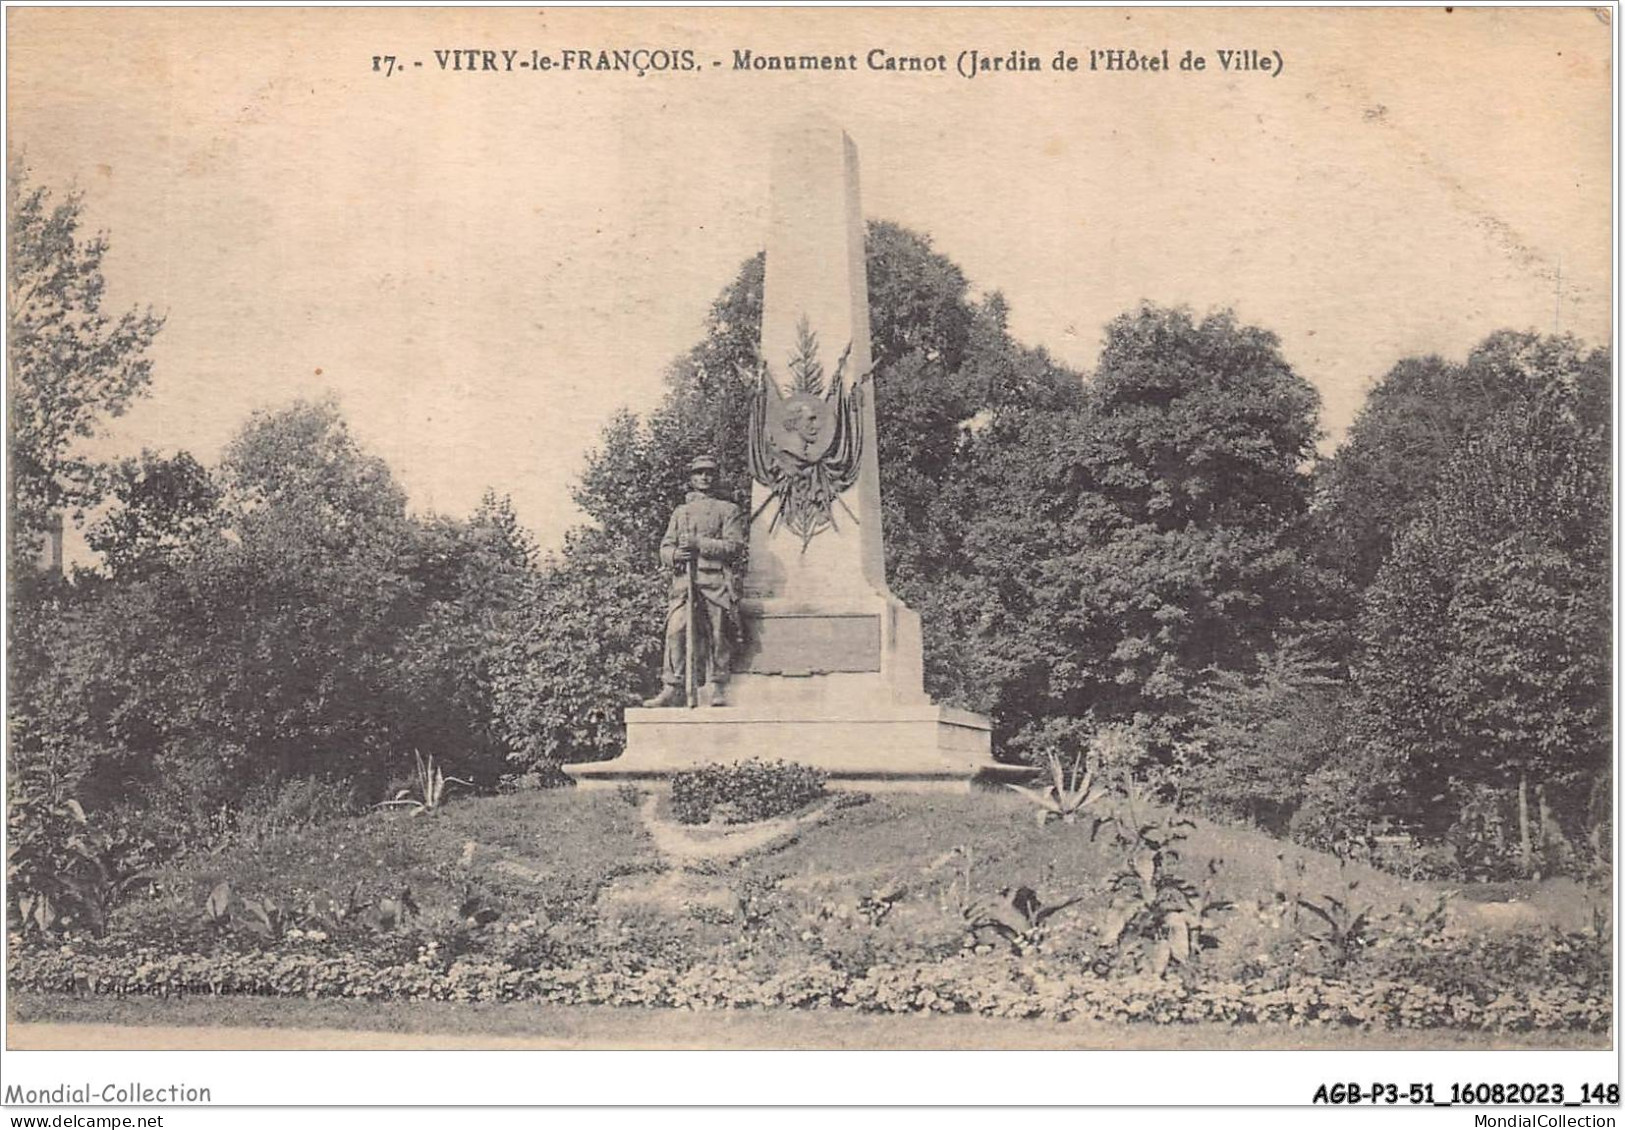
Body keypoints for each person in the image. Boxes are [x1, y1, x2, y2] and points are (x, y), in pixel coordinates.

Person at [643, 455, 746, 707]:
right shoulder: (681, 512)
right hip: (684, 583)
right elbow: (665, 547)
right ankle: (672, 685)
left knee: (717, 632)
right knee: (676, 630)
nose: (704, 477)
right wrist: (676, 554)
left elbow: (734, 546)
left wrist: (700, 544)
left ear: (715, 477)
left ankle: (717, 685)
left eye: (709, 473)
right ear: (691, 478)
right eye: (699, 473)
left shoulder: (727, 509)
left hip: (715, 581)